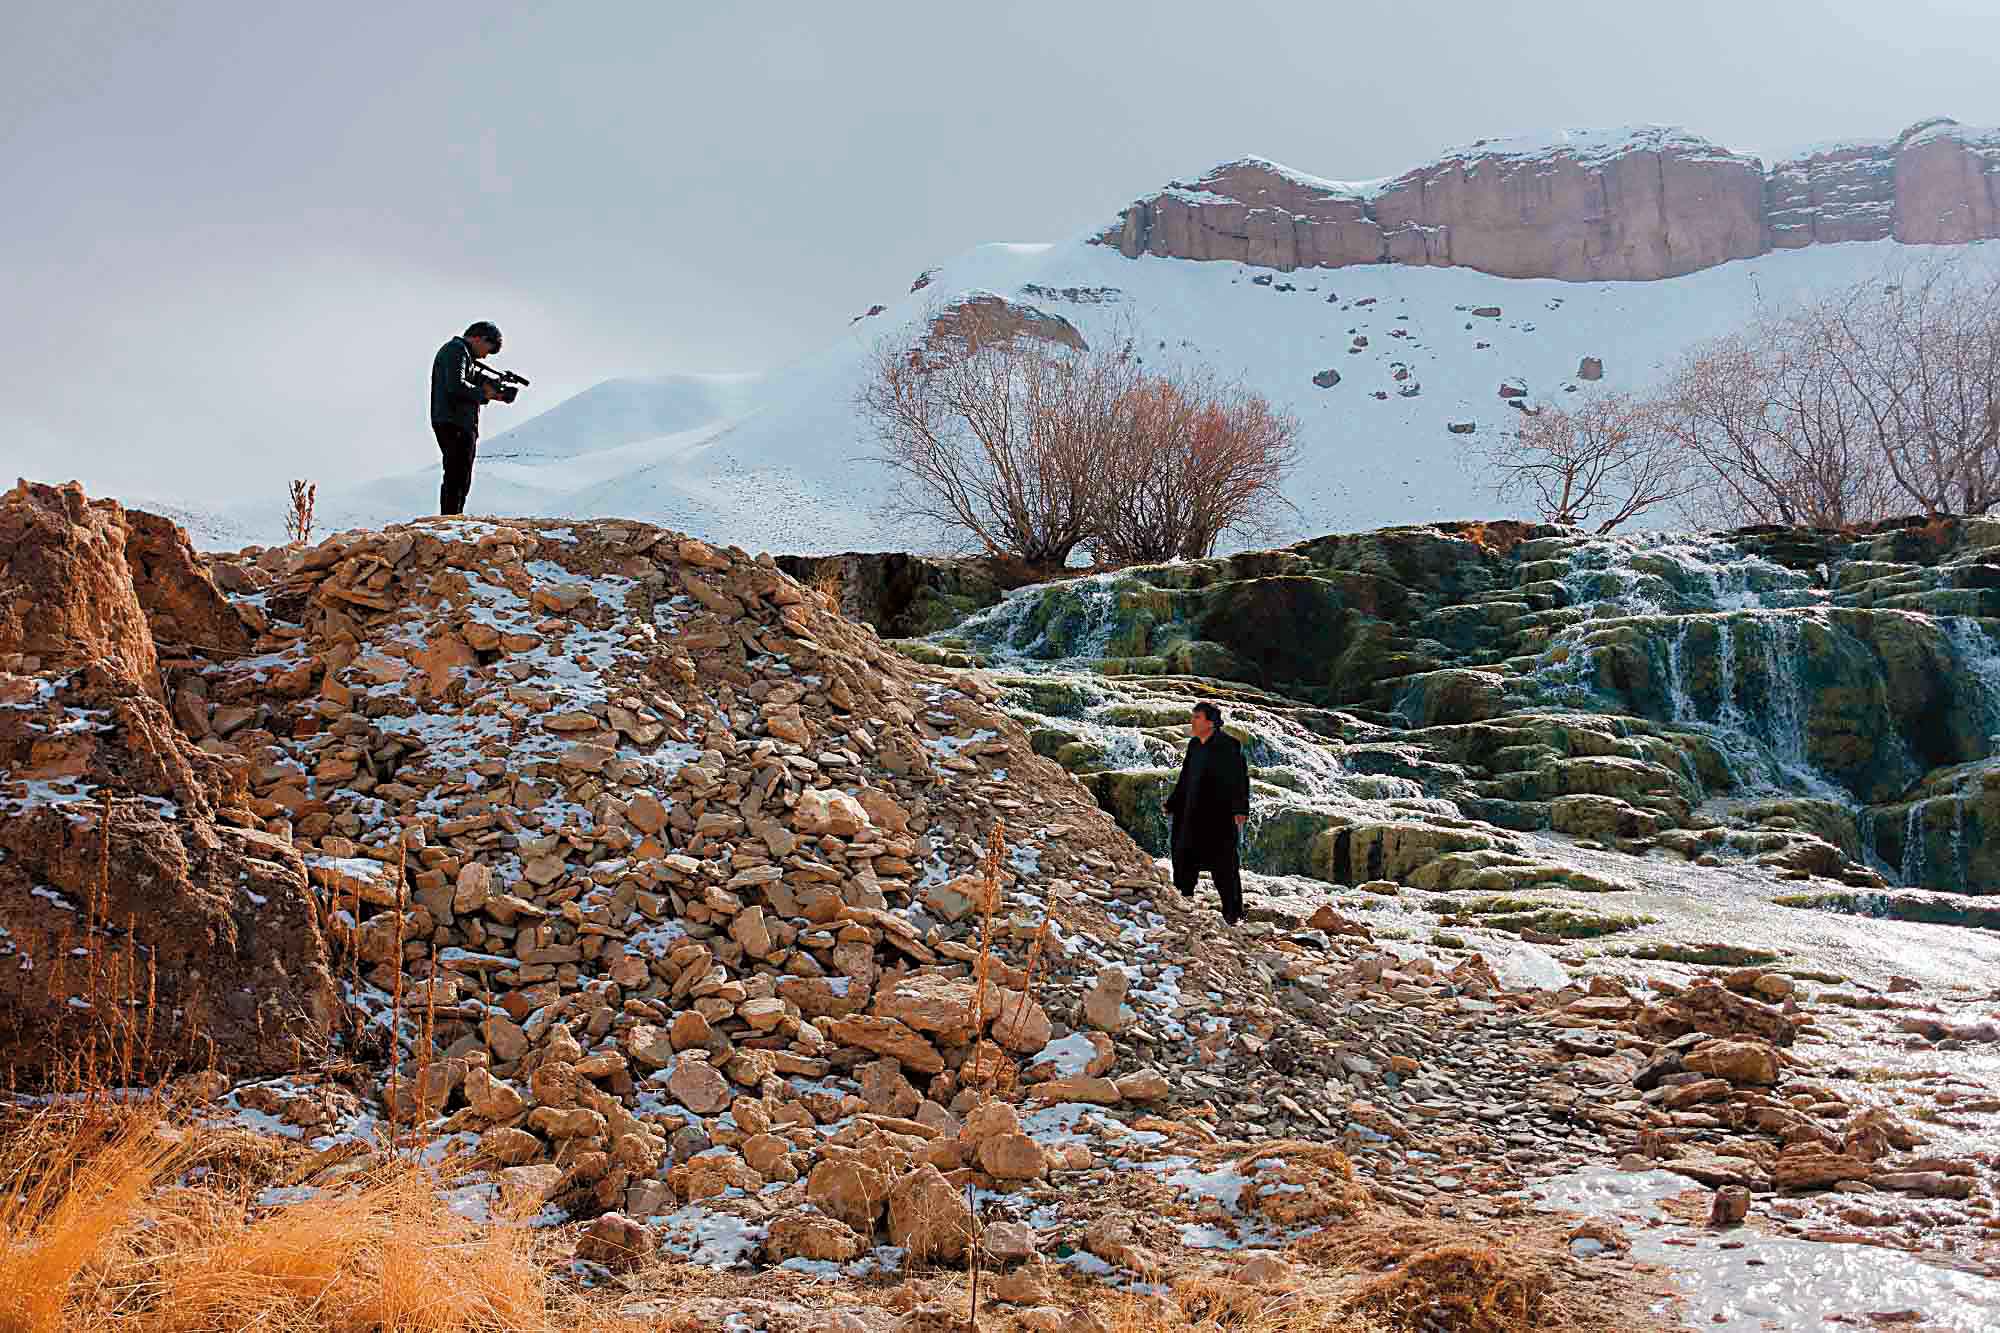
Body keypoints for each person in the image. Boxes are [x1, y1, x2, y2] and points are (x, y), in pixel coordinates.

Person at [1164, 701, 1250, 927]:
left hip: (1217, 815)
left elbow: (1240, 779)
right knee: (1183, 856)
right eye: (1193, 716)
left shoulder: (1230, 745)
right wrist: (1173, 802)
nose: (1192, 721)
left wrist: (1240, 809)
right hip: (1190, 813)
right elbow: (1185, 778)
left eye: (1197, 717)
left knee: (1224, 864)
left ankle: (1233, 913)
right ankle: (1184, 902)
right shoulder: (1194, 745)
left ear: (1211, 722)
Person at [430, 321, 508, 516]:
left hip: (456, 420)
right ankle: (450, 519)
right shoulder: (456, 351)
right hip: (454, 421)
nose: (485, 356)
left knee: (460, 473)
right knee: (457, 473)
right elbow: (456, 386)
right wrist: (485, 394)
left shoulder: (461, 354)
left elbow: (465, 384)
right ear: (478, 338)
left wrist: (495, 392)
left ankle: (452, 517)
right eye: (487, 350)